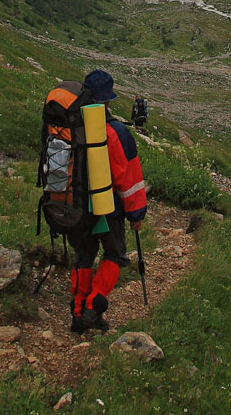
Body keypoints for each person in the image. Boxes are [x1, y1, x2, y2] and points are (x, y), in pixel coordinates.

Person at [69, 69, 147, 332]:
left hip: (75, 206)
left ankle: (78, 312)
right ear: (107, 100)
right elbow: (130, 178)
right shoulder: (116, 133)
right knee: (114, 255)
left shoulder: (70, 127)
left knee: (84, 256)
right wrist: (136, 215)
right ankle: (93, 307)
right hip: (107, 208)